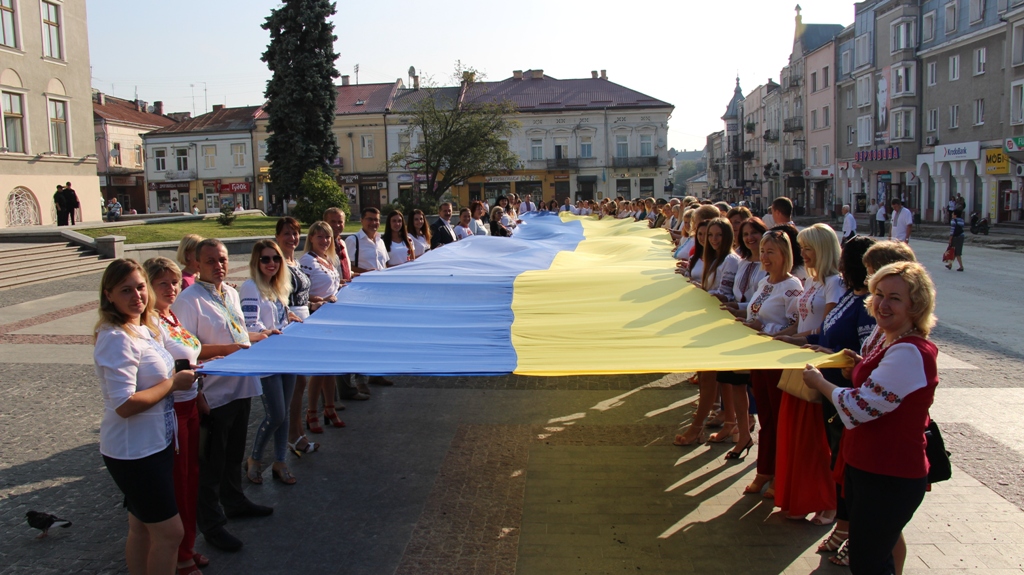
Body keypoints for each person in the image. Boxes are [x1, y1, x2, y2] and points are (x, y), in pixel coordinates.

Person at [802, 261, 938, 575]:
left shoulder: (909, 351)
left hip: (890, 473)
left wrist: (821, 383)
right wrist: (859, 366)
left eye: (895, 298)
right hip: (869, 465)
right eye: (878, 294)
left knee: (869, 562)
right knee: (875, 555)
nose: (882, 304)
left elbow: (861, 407)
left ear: (915, 306)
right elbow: (882, 385)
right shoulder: (887, 337)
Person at [95, 259, 198, 574]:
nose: (137, 295)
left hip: (155, 444)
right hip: (134, 453)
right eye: (126, 290)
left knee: (141, 527)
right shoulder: (115, 338)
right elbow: (124, 404)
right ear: (109, 295)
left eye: (140, 287)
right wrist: (172, 385)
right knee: (170, 533)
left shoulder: (142, 327)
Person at [172, 239, 273, 553]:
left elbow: (238, 333)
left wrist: (263, 336)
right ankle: (212, 524)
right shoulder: (189, 301)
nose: (219, 266)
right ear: (197, 263)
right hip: (213, 391)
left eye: (223, 259)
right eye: (211, 261)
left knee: (232, 454)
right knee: (212, 462)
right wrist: (230, 351)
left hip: (240, 386)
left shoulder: (229, 292)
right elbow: (187, 348)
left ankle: (235, 500)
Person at [772, 224, 844, 525]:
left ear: (824, 249)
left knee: (815, 440)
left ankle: (827, 501)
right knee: (797, 437)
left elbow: (825, 329)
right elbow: (801, 321)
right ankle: (800, 497)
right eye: (802, 248)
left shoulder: (833, 284)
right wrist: (782, 335)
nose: (804, 254)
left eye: (809, 248)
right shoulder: (811, 281)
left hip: (817, 367)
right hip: (799, 363)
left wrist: (797, 339)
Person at [143, 256, 209, 575]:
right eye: (163, 284)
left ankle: (188, 545)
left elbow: (191, 356)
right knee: (179, 482)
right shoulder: (151, 324)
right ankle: (180, 556)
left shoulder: (171, 317)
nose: (171, 288)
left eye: (174, 282)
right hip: (172, 411)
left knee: (191, 477)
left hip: (190, 403)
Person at [742, 230, 804, 498]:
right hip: (760, 358)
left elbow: (795, 325)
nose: (765, 257)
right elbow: (754, 311)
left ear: (785, 256)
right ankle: (764, 469)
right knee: (766, 418)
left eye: (771, 252)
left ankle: (781, 473)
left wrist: (765, 327)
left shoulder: (792, 287)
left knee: (780, 420)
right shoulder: (765, 283)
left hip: (778, 359)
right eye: (763, 252)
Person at [240, 240, 297, 486]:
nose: (271, 263)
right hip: (266, 358)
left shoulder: (278, 286)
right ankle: (254, 458)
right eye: (265, 259)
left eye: (275, 258)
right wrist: (269, 331)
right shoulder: (251, 287)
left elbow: (279, 317)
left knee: (285, 413)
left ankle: (281, 461)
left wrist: (289, 317)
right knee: (275, 414)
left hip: (286, 356)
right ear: (256, 261)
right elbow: (249, 325)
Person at [274, 217, 321, 456]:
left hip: (304, 324)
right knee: (295, 384)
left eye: (295, 233)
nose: (291, 238)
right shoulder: (277, 262)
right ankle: (292, 435)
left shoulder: (294, 261)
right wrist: (289, 315)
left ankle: (296, 432)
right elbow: (277, 297)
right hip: (290, 327)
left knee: (299, 383)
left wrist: (316, 301)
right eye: (286, 233)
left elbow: (303, 295)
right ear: (277, 237)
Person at [300, 222, 345, 431]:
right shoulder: (307, 261)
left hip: (333, 318)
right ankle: (311, 412)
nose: (324, 241)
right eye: (319, 237)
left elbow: (332, 284)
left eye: (327, 237)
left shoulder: (328, 259)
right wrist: (314, 299)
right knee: (318, 369)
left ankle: (329, 406)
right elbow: (299, 291)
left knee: (330, 367)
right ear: (311, 238)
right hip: (317, 317)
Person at [346, 207, 388, 274]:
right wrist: (366, 272)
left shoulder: (380, 241)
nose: (373, 222)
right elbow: (346, 266)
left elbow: (384, 264)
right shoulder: (353, 240)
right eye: (370, 219)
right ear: (361, 220)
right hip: (362, 282)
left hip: (381, 281)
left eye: (376, 220)